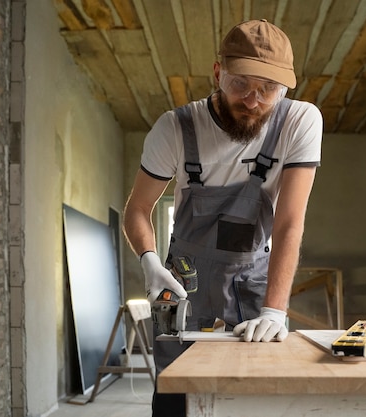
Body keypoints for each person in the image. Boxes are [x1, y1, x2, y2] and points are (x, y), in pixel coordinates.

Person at [123, 19, 322, 417]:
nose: (252, 100)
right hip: (184, 288)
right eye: (240, 84)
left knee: (255, 398)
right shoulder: (175, 128)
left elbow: (288, 223)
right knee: (176, 397)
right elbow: (138, 210)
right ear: (218, 73)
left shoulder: (300, 121)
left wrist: (274, 310)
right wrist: (149, 261)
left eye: (268, 90)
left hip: (253, 284)